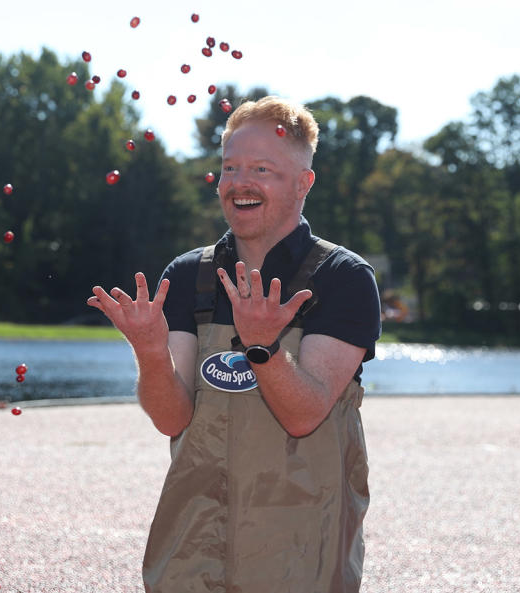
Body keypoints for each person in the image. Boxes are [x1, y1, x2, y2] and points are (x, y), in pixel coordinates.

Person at [88, 96, 381, 592]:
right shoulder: (187, 276)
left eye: (262, 169)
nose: (240, 182)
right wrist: (151, 352)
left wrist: (263, 346)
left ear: (304, 183)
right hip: (193, 540)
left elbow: (304, 414)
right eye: (230, 167)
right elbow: (171, 418)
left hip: (301, 547)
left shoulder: (343, 278)